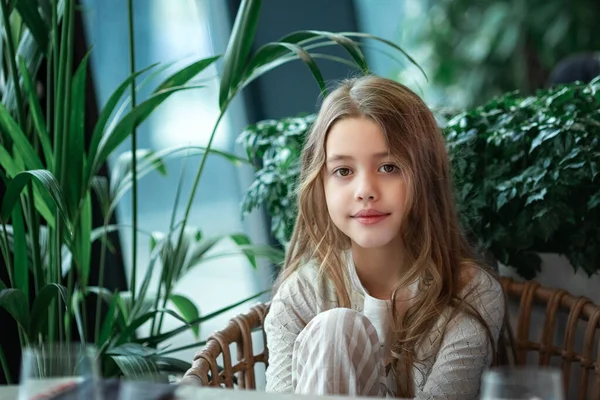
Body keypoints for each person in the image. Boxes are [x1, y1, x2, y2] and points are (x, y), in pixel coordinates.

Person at [263, 75, 505, 399]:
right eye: (343, 171)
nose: (365, 191)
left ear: (425, 175)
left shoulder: (470, 293)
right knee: (336, 331)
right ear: (320, 185)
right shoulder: (299, 297)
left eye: (389, 167)